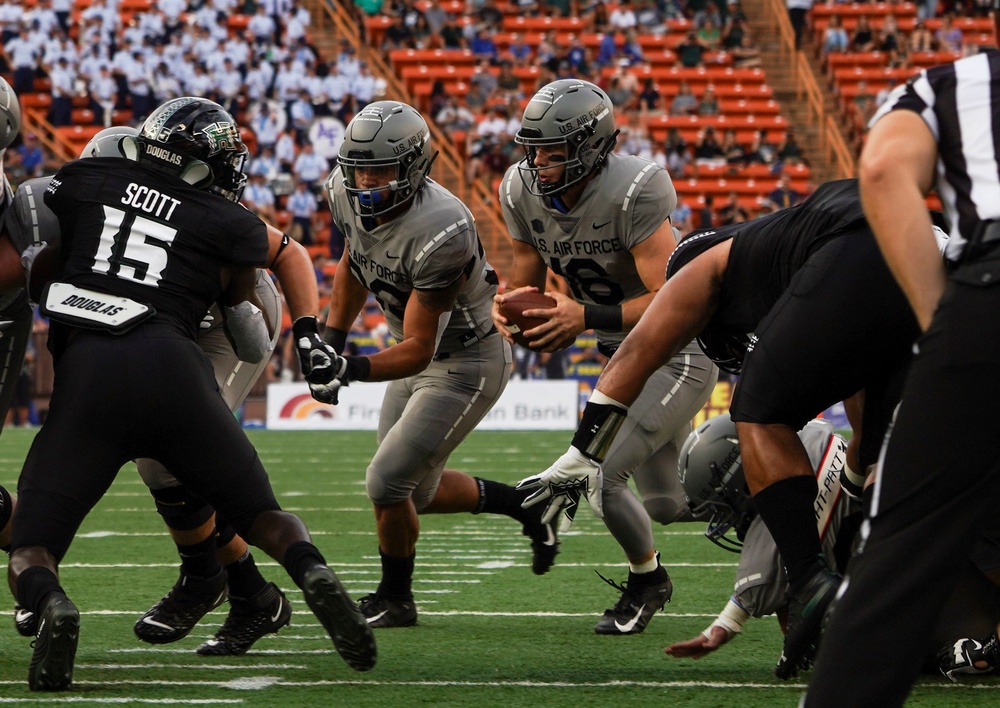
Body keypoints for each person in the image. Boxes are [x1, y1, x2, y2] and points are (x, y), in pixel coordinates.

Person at [3, 97, 377, 691]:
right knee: (259, 511)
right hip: (172, 362)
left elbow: (249, 335)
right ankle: (300, 573)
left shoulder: (80, 184)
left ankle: (53, 601)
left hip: (100, 374)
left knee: (34, 545)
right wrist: (302, 334)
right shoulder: (214, 215)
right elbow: (267, 271)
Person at [516, 178, 926, 677]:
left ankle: (809, 579)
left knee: (757, 409)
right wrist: (857, 512)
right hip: (924, 245)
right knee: (909, 451)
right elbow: (865, 427)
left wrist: (583, 454)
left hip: (863, 237)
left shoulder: (706, 264)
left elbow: (638, 352)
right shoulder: (791, 259)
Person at [805, 34, 1000, 708]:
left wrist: (940, 317)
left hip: (989, 290)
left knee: (904, 547)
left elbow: (884, 171)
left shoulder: (950, 85)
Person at [311, 101, 559, 629]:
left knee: (385, 483)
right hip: (414, 353)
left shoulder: (444, 226)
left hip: (466, 360)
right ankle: (525, 505)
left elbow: (421, 347)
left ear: (415, 167)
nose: (365, 180)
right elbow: (355, 262)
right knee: (413, 493)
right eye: (358, 166)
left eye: (380, 168)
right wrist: (331, 339)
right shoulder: (343, 192)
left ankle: (396, 599)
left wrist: (348, 368)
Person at [495, 79, 717, 635]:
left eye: (554, 150)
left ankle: (648, 580)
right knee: (668, 502)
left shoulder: (634, 189)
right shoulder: (521, 190)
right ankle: (778, 497)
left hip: (677, 352)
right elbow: (528, 288)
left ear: (592, 148)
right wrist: (514, 314)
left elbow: (674, 300)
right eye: (534, 148)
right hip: (623, 355)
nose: (539, 163)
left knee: (598, 473)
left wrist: (584, 317)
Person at [667, 415, 1000, 678]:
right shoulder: (812, 444)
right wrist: (726, 623)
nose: (726, 522)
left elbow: (769, 580)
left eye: (723, 508)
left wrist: (728, 623)